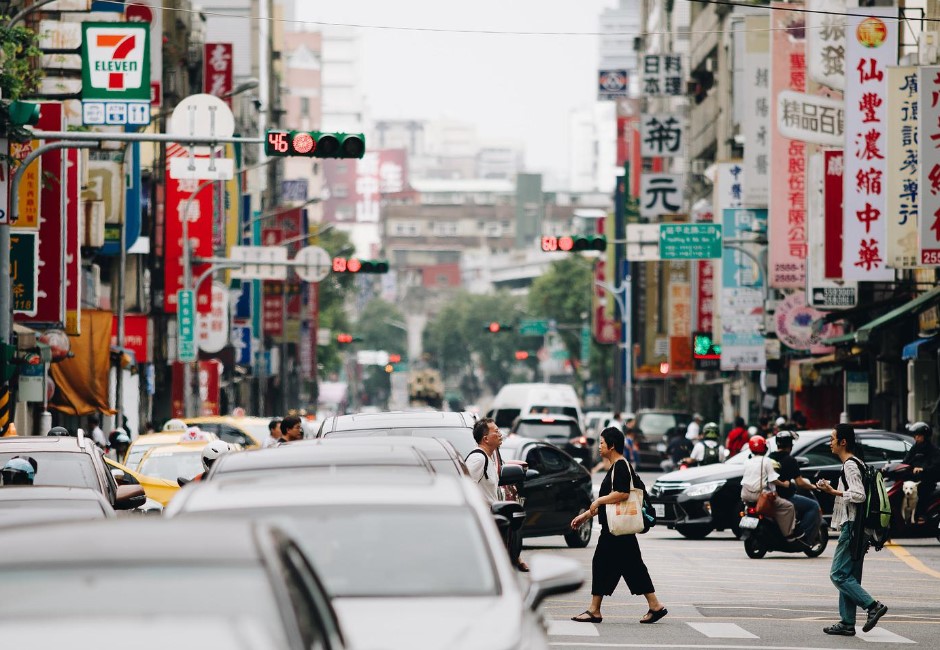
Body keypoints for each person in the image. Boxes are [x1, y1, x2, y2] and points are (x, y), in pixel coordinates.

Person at [570, 427, 667, 625]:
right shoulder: (618, 467)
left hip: (616, 529)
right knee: (633, 566)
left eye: (602, 443)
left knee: (604, 563)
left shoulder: (621, 466)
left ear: (612, 445)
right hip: (617, 528)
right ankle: (655, 606)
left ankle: (594, 610)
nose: (599, 447)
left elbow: (622, 494)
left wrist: (597, 501)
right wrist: (585, 516)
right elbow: (612, 502)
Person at [815, 423, 888, 636]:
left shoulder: (850, 465)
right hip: (861, 528)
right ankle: (847, 622)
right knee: (849, 576)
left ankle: (872, 606)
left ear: (843, 442)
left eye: (832, 438)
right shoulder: (857, 463)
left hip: (853, 527)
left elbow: (859, 495)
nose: (830, 442)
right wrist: (830, 489)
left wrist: (834, 492)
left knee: (838, 574)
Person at [466, 417, 529, 572]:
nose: (500, 434)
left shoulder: (489, 458)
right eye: (496, 431)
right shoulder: (478, 459)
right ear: (486, 438)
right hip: (482, 520)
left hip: (491, 519)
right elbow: (466, 486)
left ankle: (515, 558)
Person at [740, 435, 799, 540]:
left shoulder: (746, 462)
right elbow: (773, 479)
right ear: (764, 448)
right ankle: (789, 534)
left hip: (745, 496)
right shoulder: (766, 461)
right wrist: (784, 484)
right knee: (788, 506)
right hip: (760, 496)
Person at [769, 430, 820, 543]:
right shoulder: (790, 460)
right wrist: (813, 487)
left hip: (770, 495)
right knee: (814, 506)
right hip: (786, 497)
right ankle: (803, 536)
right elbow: (800, 483)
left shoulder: (769, 457)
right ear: (790, 446)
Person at [902, 422, 940, 524]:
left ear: (925, 437)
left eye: (919, 436)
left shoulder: (933, 450)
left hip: (927, 479)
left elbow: (935, 465)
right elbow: (906, 461)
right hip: (913, 478)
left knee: (922, 491)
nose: (916, 438)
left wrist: (923, 469)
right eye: (915, 436)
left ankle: (922, 514)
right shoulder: (915, 448)